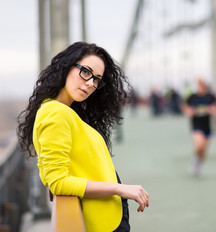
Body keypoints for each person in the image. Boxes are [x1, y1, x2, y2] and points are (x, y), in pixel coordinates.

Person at [17, 42, 149, 232]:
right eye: (86, 72)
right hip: (104, 220)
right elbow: (57, 181)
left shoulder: (60, 109)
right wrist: (120, 189)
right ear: (66, 67)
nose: (90, 83)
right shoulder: (56, 113)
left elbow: (46, 169)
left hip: (108, 213)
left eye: (97, 79)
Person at [182, 78, 216, 177]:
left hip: (207, 127)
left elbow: (215, 109)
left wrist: (209, 110)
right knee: (199, 145)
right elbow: (186, 108)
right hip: (196, 126)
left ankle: (198, 165)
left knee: (204, 152)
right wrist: (189, 111)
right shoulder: (192, 97)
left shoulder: (210, 97)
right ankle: (194, 162)